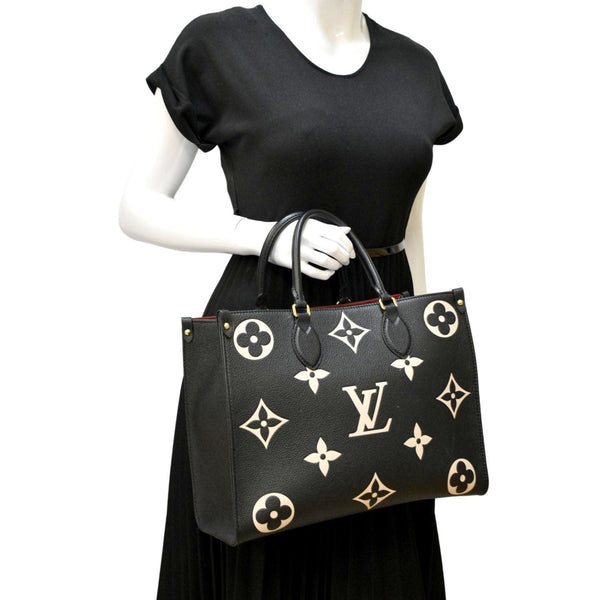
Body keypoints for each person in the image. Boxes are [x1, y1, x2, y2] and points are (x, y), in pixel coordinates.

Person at [120, 2, 464, 598]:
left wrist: (425, 353)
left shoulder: (415, 66)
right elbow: (137, 206)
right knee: (263, 561)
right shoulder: (221, 45)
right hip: (265, 356)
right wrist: (265, 237)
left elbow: (408, 228)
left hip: (384, 370)